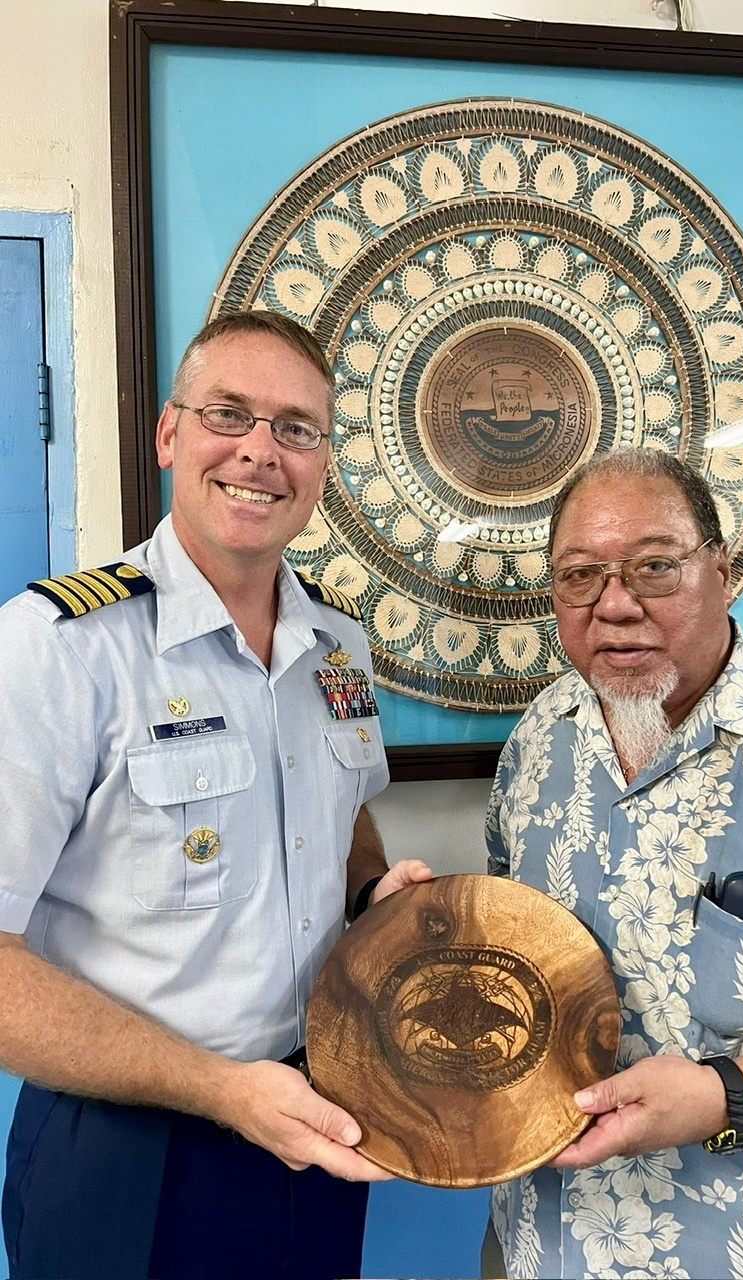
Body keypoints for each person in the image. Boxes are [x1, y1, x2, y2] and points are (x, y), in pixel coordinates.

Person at [0, 310, 431, 1280]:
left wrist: (370, 897)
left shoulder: (338, 648)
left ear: (322, 461)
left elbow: (344, 810)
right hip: (127, 1152)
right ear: (168, 433)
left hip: (319, 1118)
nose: (259, 452)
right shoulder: (57, 647)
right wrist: (219, 1089)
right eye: (227, 413)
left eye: (295, 428)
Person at [484, 447, 743, 1280]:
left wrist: (723, 1095)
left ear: (723, 570)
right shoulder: (538, 743)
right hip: (541, 1240)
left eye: (654, 568)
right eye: (580, 576)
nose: (614, 606)